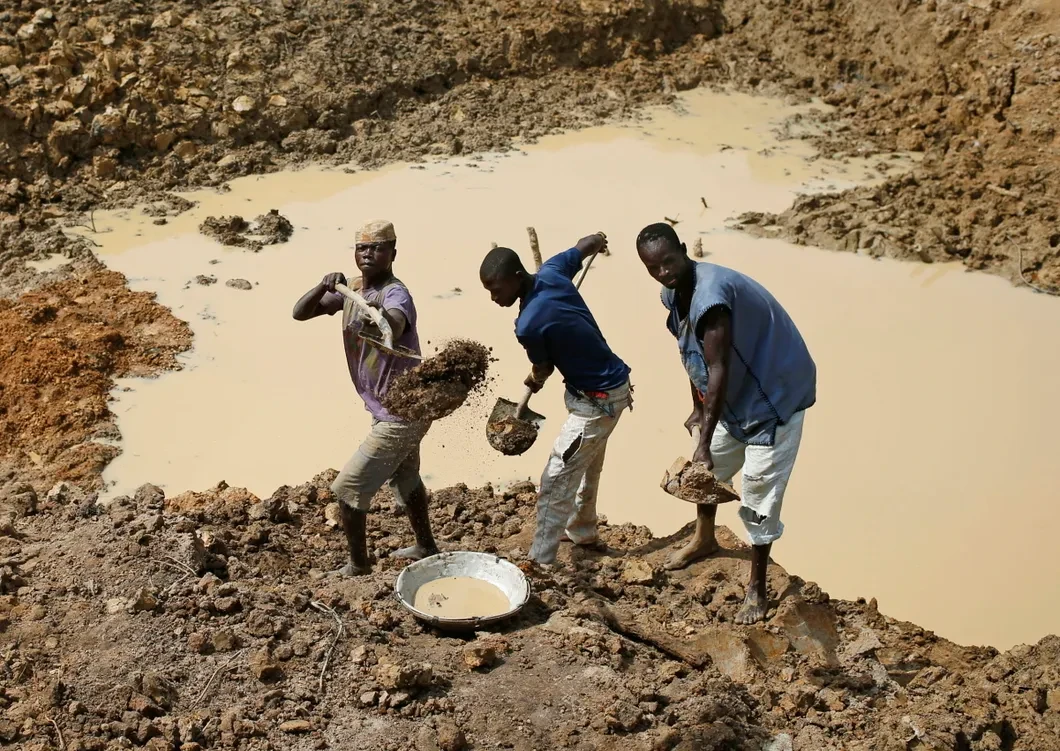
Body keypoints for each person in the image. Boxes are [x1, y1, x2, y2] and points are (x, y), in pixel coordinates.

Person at [635, 222, 816, 624]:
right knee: (709, 469)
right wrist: (698, 410)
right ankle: (704, 539)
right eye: (653, 267)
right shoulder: (673, 294)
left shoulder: (710, 297)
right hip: (736, 392)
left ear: (684, 250)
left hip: (774, 394)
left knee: (758, 491)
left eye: (669, 261)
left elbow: (718, 367)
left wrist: (702, 441)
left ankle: (757, 587)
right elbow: (691, 353)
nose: (663, 272)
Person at [292, 220, 438, 575]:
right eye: (362, 248)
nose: (368, 254)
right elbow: (300, 313)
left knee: (347, 489)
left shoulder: (394, 294)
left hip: (402, 413)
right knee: (405, 476)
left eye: (377, 248)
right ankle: (425, 546)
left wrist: (378, 319)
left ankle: (358, 565)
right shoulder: (352, 289)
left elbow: (395, 323)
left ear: (393, 254)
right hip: (390, 407)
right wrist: (324, 286)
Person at [480, 233, 632, 565]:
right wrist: (599, 239)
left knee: (556, 478)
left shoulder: (529, 324)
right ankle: (583, 531)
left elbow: (544, 366)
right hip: (612, 386)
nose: (493, 298)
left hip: (596, 402)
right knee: (588, 465)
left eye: (497, 290)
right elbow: (582, 247)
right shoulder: (551, 271)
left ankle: (540, 561)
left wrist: (534, 379)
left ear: (516, 277)